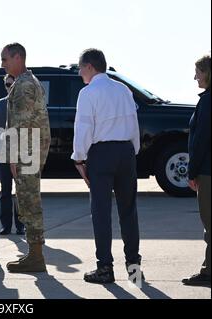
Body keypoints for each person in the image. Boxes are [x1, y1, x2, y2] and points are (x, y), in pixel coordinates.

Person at [72, 49, 142, 284]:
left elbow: (83, 128)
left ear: (90, 66)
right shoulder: (123, 89)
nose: (79, 71)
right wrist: (132, 151)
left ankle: (105, 269)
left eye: (80, 67)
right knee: (128, 211)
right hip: (126, 151)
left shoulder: (88, 92)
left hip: (101, 153)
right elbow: (134, 123)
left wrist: (79, 158)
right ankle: (134, 269)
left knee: (101, 213)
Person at [1, 43, 51, 273]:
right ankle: (34, 254)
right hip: (31, 150)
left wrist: (12, 156)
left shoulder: (23, 85)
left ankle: (36, 257)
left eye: (5, 59)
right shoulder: (28, 81)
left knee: (29, 202)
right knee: (28, 201)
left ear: (18, 57)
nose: (2, 64)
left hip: (26, 152)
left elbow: (20, 125)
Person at [183, 54, 211, 287]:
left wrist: (192, 172)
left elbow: (201, 139)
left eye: (198, 72)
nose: (195, 77)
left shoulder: (208, 101)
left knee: (210, 222)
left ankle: (209, 271)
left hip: (208, 171)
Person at [0, 74, 25, 236]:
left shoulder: (25, 104)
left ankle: (20, 225)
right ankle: (6, 225)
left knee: (20, 191)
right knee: (5, 191)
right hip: (3, 154)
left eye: (12, 84)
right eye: (7, 84)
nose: (9, 87)